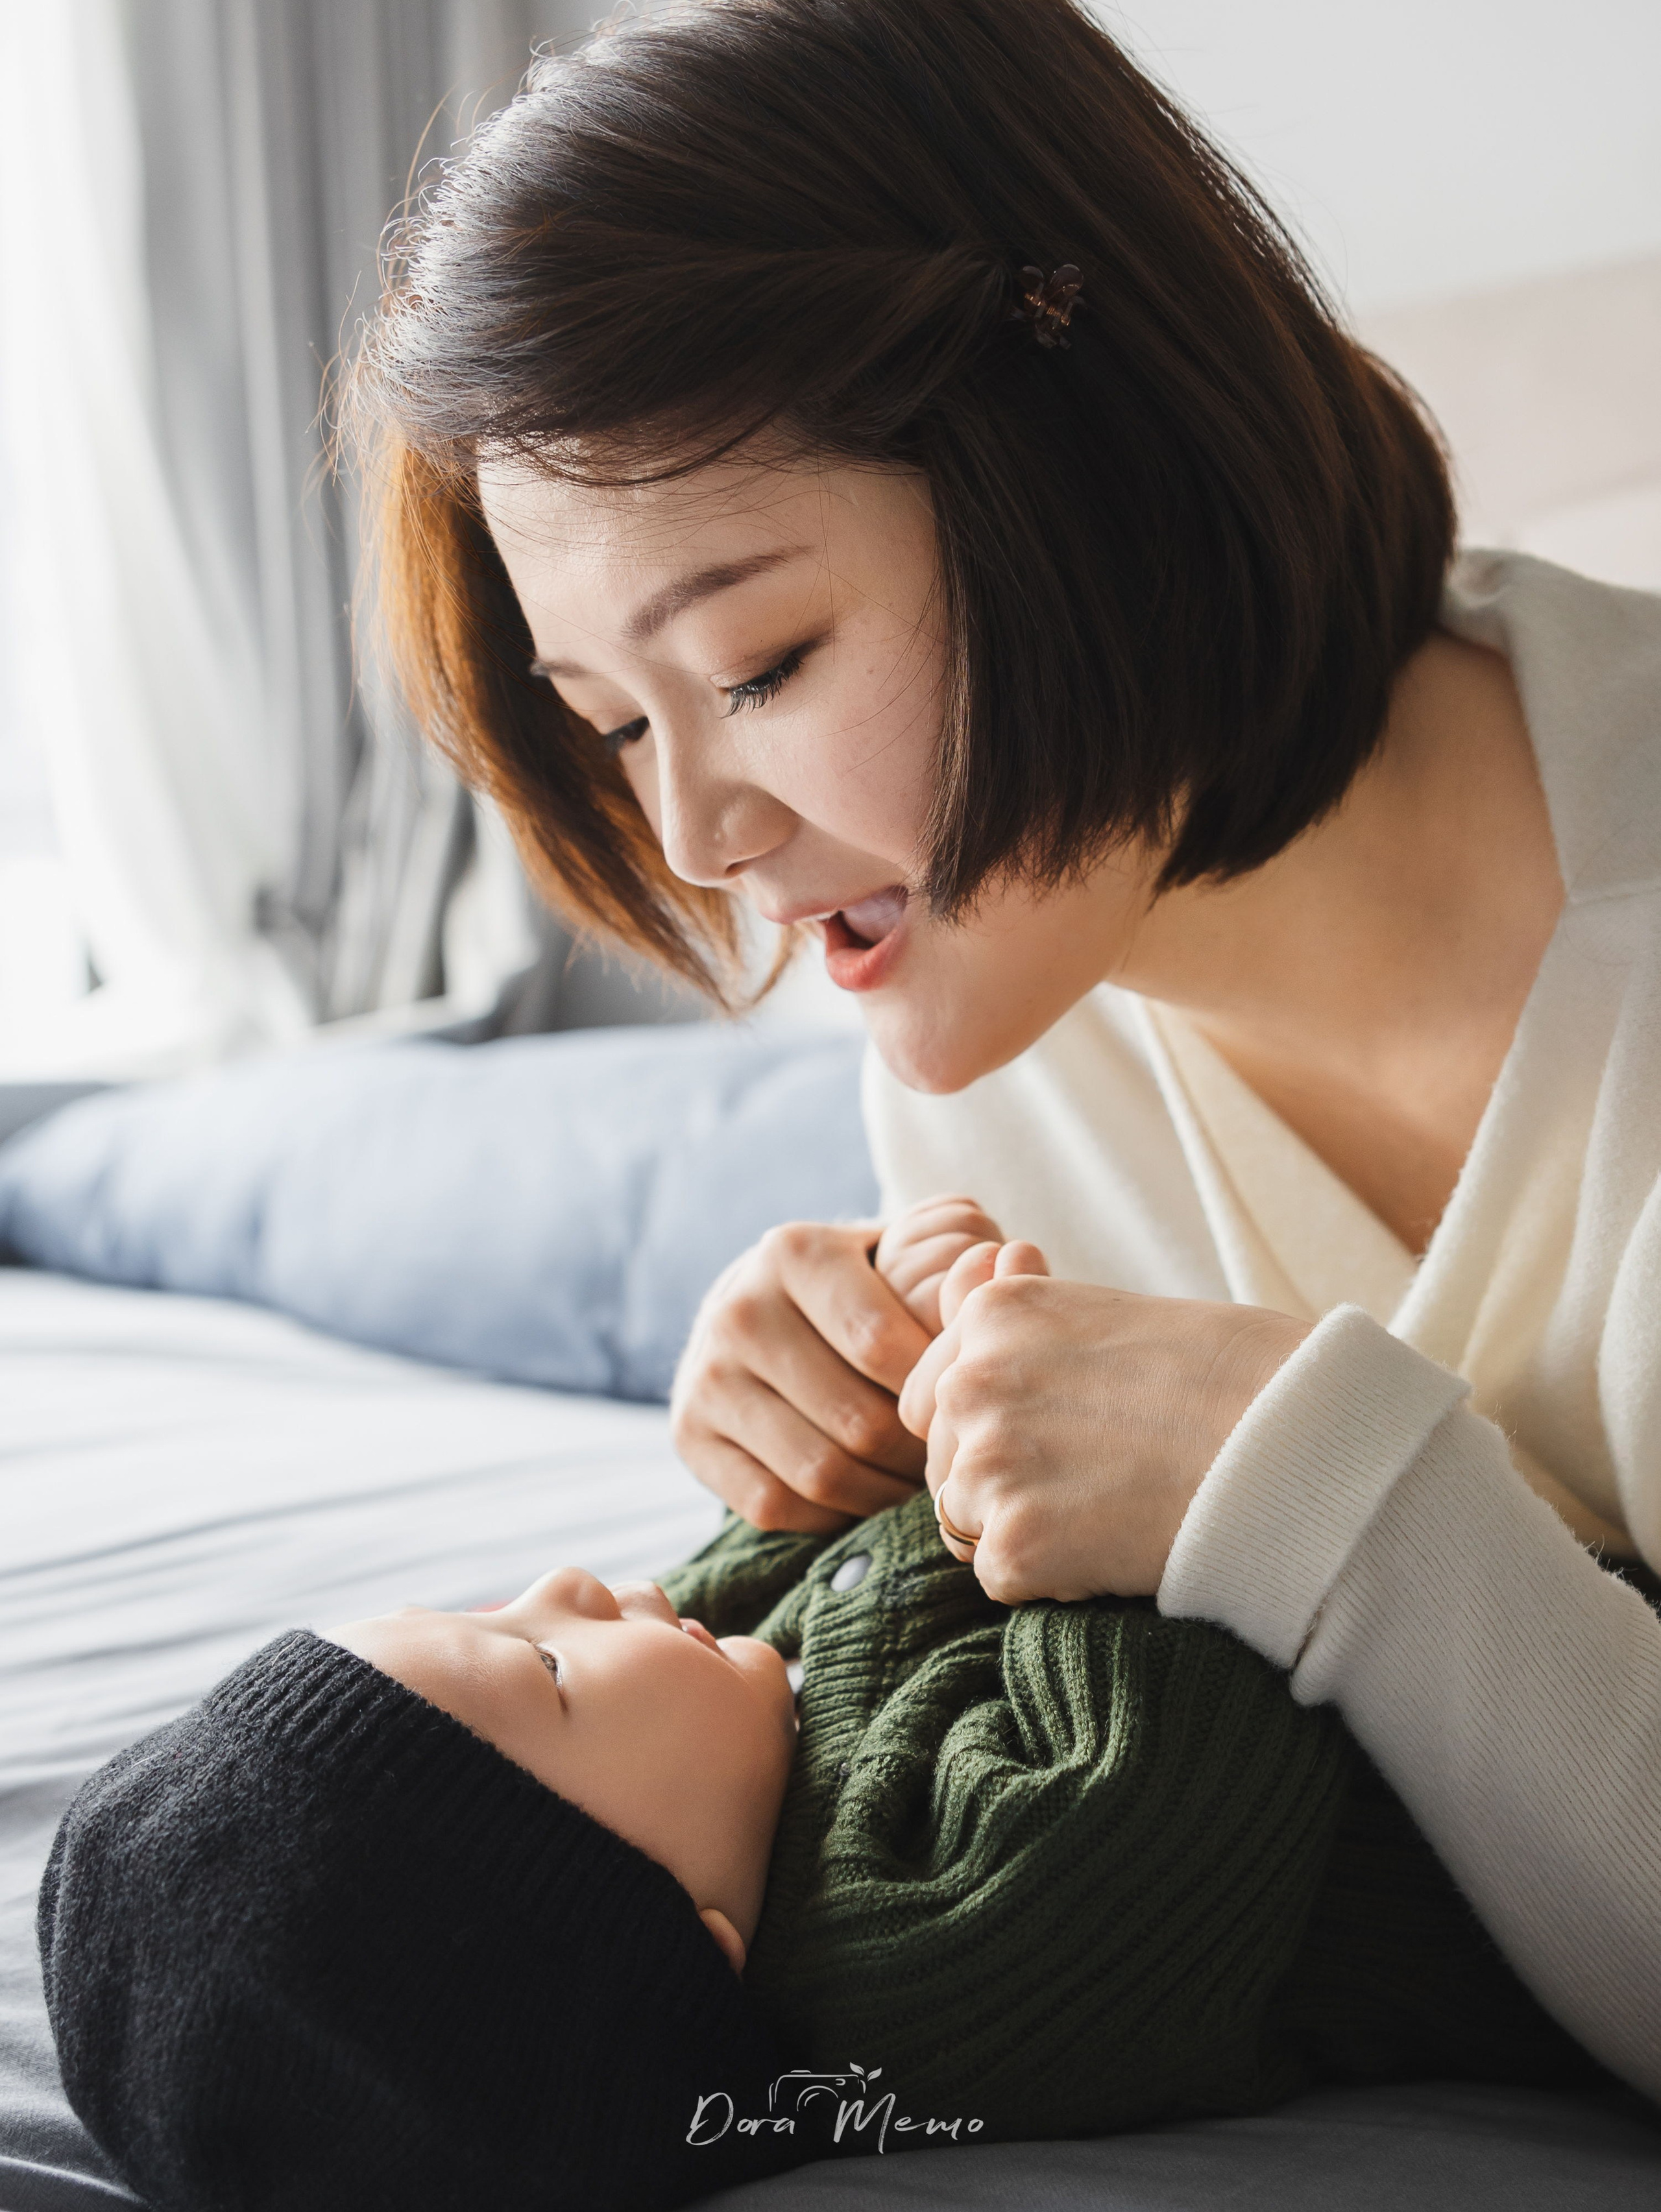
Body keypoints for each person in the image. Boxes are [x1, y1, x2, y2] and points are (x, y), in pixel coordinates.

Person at [350, 0, 1661, 2106]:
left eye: (759, 664)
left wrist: (1337, 1500)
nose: (696, 835)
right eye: (614, 719)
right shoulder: (989, 1056)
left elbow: (1325, 1527)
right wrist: (869, 1447)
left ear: (1096, 471)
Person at [39, 1202, 1609, 2212]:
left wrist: (905, 1342)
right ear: (680, 1932)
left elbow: (805, 1536)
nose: (569, 1587)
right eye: (536, 1668)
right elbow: (1189, 1746)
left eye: (485, 1606)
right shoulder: (922, 1953)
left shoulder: (714, 1734)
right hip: (1577, 1783)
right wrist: (1042, 1489)